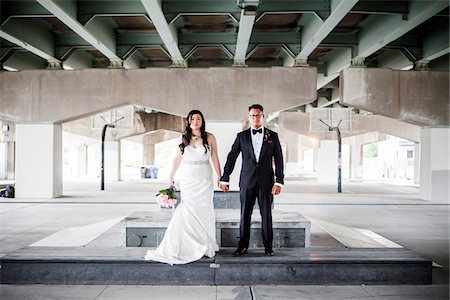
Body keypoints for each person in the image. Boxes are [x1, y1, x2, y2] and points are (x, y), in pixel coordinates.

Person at [145, 110, 221, 265]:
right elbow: (177, 158)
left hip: (204, 178)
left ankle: (204, 241)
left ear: (202, 121)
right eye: (192, 118)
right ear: (188, 121)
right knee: (188, 208)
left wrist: (221, 176)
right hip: (187, 178)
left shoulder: (210, 137)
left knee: (204, 208)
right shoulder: (182, 138)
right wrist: (171, 176)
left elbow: (214, 157)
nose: (195, 121)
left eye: (198, 118)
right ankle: (188, 243)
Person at [219, 104, 284, 256]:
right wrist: (225, 177)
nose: (255, 118)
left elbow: (279, 159)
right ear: (249, 117)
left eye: (258, 115)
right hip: (247, 182)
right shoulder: (241, 137)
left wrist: (279, 181)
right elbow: (232, 157)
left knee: (266, 215)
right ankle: (242, 246)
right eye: (252, 115)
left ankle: (268, 247)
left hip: (266, 182)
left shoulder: (272, 136)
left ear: (263, 116)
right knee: (244, 215)